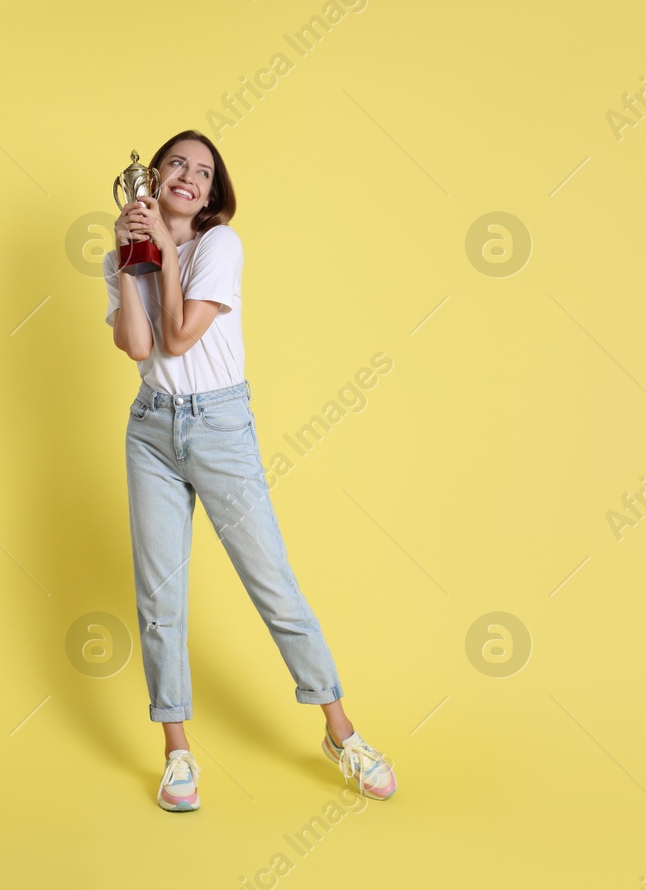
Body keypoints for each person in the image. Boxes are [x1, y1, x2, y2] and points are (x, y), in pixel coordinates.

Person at [104, 129, 397, 812]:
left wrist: (167, 251)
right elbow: (138, 345)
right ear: (151, 177)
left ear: (211, 193)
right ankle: (177, 753)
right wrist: (127, 253)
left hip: (219, 428)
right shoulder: (131, 250)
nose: (188, 175)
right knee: (158, 598)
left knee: (272, 583)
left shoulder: (220, 246)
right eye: (175, 162)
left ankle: (341, 732)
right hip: (149, 426)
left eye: (202, 172)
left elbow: (178, 335)